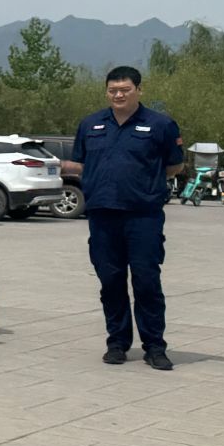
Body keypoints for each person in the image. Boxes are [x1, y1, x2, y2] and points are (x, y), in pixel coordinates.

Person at [60, 65, 184, 370]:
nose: (118, 95)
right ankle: (117, 343)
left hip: (143, 216)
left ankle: (154, 347)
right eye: (113, 90)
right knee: (111, 281)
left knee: (146, 281)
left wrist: (144, 184)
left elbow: (174, 166)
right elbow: (82, 164)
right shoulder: (90, 124)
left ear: (139, 90)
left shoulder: (161, 125)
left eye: (125, 90)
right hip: (102, 215)